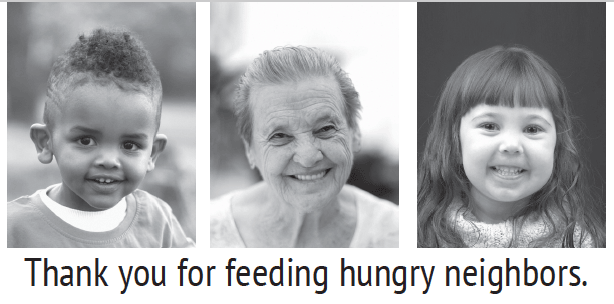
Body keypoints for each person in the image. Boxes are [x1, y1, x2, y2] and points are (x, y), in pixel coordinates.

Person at [7, 28, 194, 248]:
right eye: (86, 141)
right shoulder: (14, 229)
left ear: (152, 153)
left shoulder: (158, 222)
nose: (108, 160)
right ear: (45, 142)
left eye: (129, 145)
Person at [417, 45, 606, 248]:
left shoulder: (579, 247)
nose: (512, 145)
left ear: (557, 145)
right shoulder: (415, 236)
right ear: (454, 138)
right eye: (490, 126)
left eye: (532, 129)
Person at [211, 46, 398, 248]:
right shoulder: (208, 233)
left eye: (325, 129)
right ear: (250, 149)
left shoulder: (398, 234)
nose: (308, 156)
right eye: (280, 136)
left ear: (354, 133)